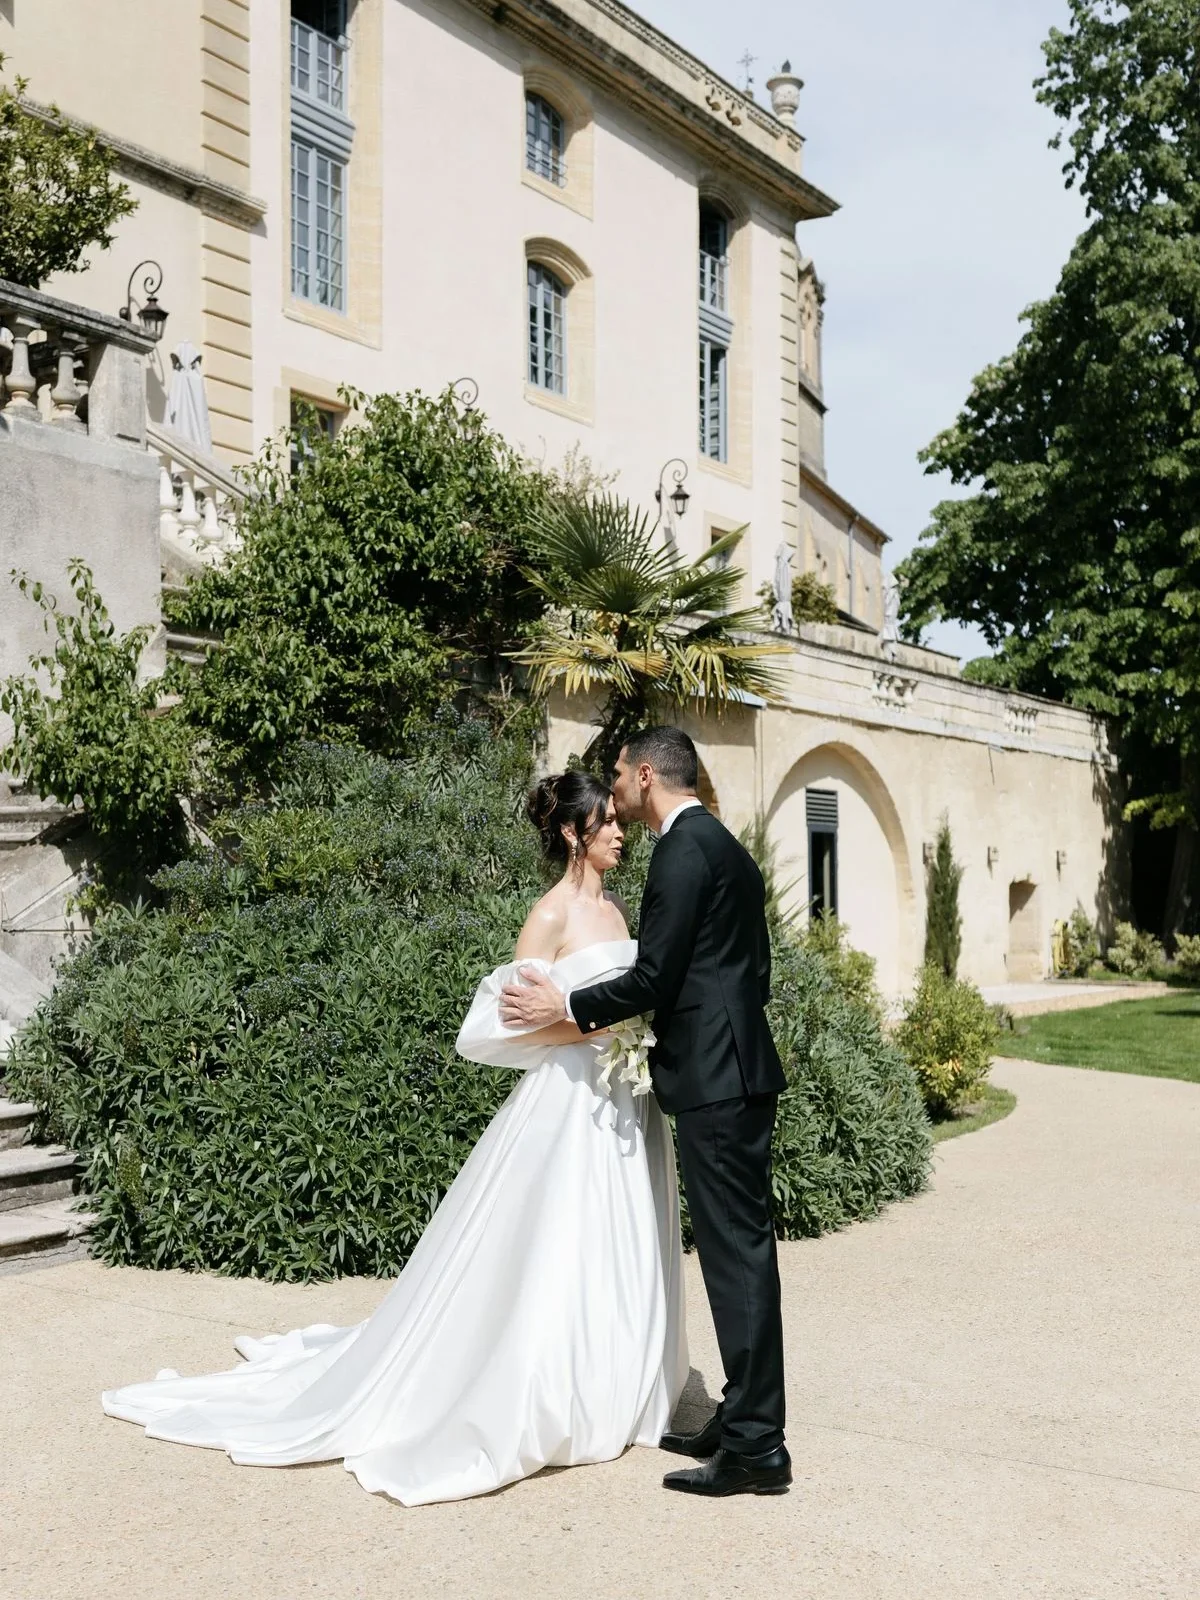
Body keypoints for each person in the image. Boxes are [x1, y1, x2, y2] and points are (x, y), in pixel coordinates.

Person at [101, 772, 687, 1507]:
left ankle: (613, 1380)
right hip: (569, 1100)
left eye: (617, 823)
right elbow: (501, 1024)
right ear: (574, 833)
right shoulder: (550, 916)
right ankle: (545, 1391)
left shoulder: (618, 909)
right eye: (605, 823)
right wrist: (598, 1025)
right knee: (558, 1245)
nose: (619, 832)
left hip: (620, 1102)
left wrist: (626, 1027)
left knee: (615, 1241)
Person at [500, 726, 790, 1498]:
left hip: (716, 1084)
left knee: (737, 1261)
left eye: (623, 778)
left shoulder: (683, 852)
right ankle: (744, 1413)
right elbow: (744, 971)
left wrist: (567, 1000)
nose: (619, 795)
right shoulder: (721, 845)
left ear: (646, 774)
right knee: (742, 1254)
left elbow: (656, 977)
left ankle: (759, 1448)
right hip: (733, 1073)